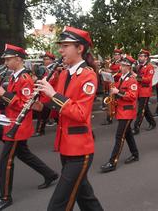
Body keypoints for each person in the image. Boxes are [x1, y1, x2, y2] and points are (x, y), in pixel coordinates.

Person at [35, 26, 104, 211]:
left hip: (80, 150)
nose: (61, 50)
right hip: (65, 145)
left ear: (79, 48)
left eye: (65, 46)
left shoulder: (88, 75)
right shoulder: (64, 73)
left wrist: (53, 94)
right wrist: (40, 106)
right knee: (86, 198)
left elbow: (81, 113)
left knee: (58, 205)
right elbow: (58, 107)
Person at [0, 44, 58, 211]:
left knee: (6, 160)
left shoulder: (24, 78)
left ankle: (5, 196)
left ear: (18, 59)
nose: (6, 62)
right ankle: (50, 174)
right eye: (5, 59)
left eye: (8, 59)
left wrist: (4, 94)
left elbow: (25, 104)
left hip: (18, 125)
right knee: (24, 154)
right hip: (11, 121)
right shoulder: (15, 77)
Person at [100, 55, 139, 172]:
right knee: (127, 134)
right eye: (121, 65)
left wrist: (118, 91)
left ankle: (112, 162)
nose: (120, 67)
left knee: (119, 137)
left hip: (127, 112)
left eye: (123, 65)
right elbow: (115, 89)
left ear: (128, 67)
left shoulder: (132, 80)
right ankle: (135, 154)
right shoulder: (121, 78)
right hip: (121, 110)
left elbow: (132, 96)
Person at [33, 51, 59, 136]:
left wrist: (37, 80)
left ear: (52, 60)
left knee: (44, 114)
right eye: (44, 59)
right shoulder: (44, 69)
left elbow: (50, 82)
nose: (44, 60)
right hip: (44, 95)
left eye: (46, 59)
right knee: (51, 114)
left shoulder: (53, 70)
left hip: (48, 95)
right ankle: (40, 130)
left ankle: (40, 130)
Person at [132, 49, 156, 135]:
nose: (140, 57)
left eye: (142, 56)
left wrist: (136, 76)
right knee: (145, 109)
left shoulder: (150, 67)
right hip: (139, 90)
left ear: (146, 58)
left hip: (145, 91)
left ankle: (136, 127)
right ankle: (153, 123)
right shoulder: (139, 66)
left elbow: (148, 80)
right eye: (139, 56)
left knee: (141, 110)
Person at [101, 48, 122, 125]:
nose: (116, 56)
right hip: (111, 84)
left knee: (117, 102)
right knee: (110, 102)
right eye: (115, 55)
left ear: (120, 56)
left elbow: (121, 74)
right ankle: (109, 117)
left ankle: (116, 116)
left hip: (118, 84)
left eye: (117, 55)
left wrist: (111, 72)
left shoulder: (121, 64)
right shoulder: (112, 63)